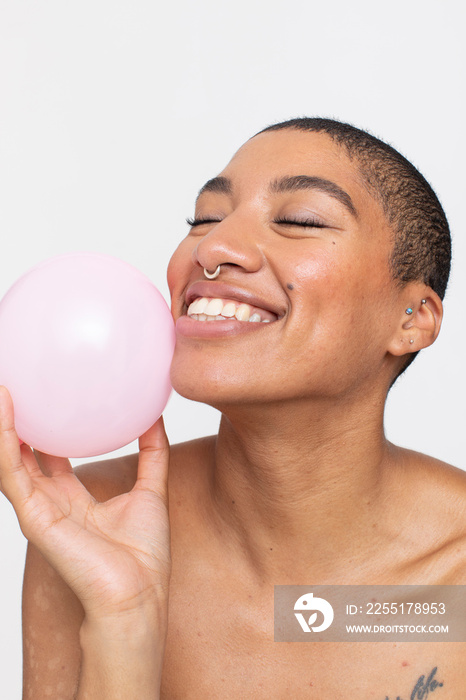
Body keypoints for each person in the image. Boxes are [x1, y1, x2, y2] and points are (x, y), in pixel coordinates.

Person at [0, 117, 465, 699]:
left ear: (412, 318)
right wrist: (125, 619)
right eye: (205, 219)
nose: (214, 249)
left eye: (301, 220)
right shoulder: (91, 521)